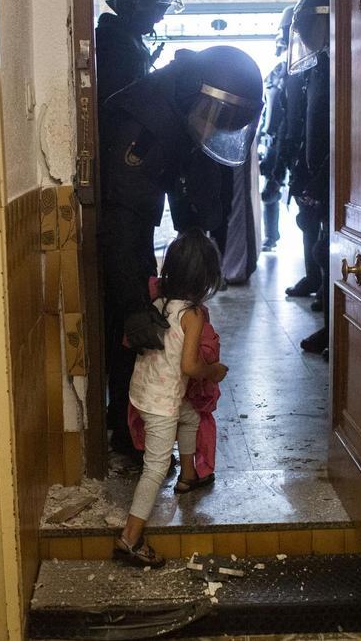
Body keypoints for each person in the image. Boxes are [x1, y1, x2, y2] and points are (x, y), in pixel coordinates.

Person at [98, 46, 264, 457]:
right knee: (133, 330)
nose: (217, 127)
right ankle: (128, 434)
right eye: (219, 117)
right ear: (200, 95)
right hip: (122, 222)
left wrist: (198, 237)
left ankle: (141, 427)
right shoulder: (143, 120)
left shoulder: (184, 102)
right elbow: (121, 225)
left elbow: (197, 184)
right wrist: (135, 304)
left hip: (137, 213)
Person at [115, 230, 229, 567]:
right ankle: (130, 538)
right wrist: (214, 370)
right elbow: (190, 366)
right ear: (206, 277)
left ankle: (189, 476)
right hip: (161, 403)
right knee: (154, 469)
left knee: (190, 416)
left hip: (144, 391)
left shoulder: (159, 302)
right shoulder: (191, 315)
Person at [287, 0, 332, 355]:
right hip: (315, 174)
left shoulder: (347, 67)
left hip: (335, 180)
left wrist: (320, 181)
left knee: (329, 253)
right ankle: (331, 328)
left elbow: (349, 134)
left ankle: (337, 331)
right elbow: (307, 126)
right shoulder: (319, 66)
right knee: (322, 250)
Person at [95, 0, 181, 111]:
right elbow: (123, 104)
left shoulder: (127, 38)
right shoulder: (112, 42)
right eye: (158, 8)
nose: (161, 17)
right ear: (133, 3)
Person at [258, 6, 296, 252]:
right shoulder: (277, 72)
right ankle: (272, 237)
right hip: (274, 140)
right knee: (270, 192)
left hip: (292, 140)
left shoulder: (301, 71)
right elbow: (267, 110)